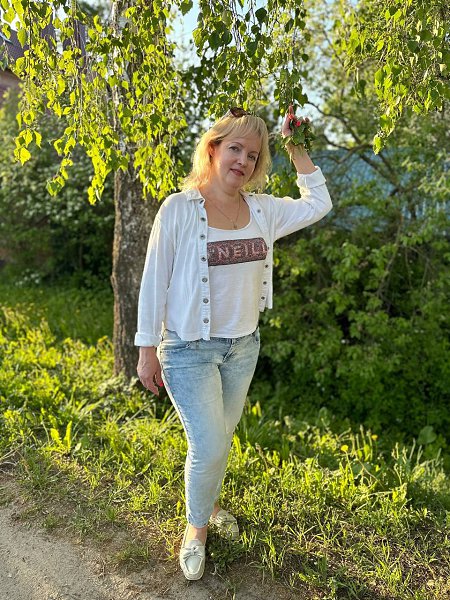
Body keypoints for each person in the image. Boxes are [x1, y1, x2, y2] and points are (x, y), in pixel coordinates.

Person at [135, 106, 332, 580]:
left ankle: (210, 503)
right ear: (213, 149)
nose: (243, 160)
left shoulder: (263, 210)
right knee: (208, 445)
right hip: (188, 350)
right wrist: (145, 350)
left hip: (242, 348)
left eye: (253, 154)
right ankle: (196, 528)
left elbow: (318, 203)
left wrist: (296, 148)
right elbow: (154, 280)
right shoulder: (178, 209)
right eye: (235, 148)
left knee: (220, 439)